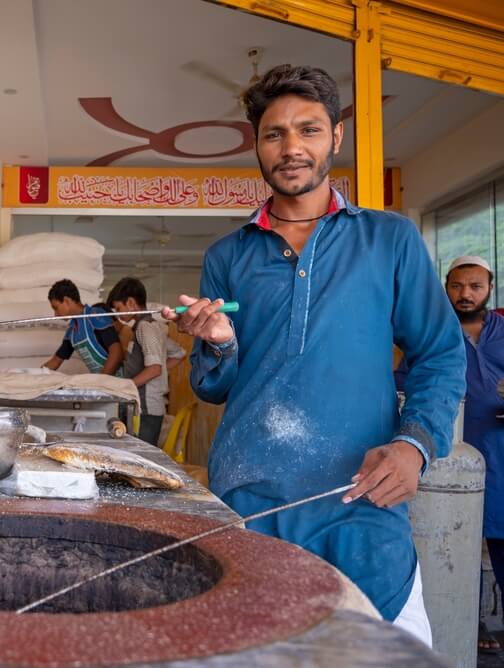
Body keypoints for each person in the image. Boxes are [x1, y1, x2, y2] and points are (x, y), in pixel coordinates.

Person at [163, 64, 466, 645]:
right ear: (255, 144)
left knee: (382, 652)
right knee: (256, 653)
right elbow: (214, 388)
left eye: (308, 129)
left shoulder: (388, 239)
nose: (292, 147)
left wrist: (415, 445)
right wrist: (219, 345)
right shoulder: (228, 254)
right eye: (274, 133)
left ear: (337, 137)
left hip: (360, 502)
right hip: (248, 504)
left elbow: (440, 355)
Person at [395, 255, 504, 653]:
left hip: (500, 452)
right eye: (457, 286)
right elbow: (407, 385)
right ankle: (468, 625)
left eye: (474, 286)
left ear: (489, 288)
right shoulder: (432, 336)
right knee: (455, 543)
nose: (465, 294)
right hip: (448, 456)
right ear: (446, 288)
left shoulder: (503, 331)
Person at [106, 277, 184, 446]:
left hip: (147, 409)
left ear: (131, 303)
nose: (118, 314)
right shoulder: (151, 327)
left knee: (141, 457)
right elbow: (178, 354)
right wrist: (160, 373)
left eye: (119, 308)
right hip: (146, 406)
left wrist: (127, 386)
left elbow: (155, 368)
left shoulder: (145, 327)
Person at [42, 279, 123, 375]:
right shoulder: (72, 332)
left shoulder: (95, 315)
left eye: (56, 308)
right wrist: (35, 375)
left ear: (67, 301)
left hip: (118, 380)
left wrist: (101, 381)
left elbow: (117, 353)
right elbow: (56, 360)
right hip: (101, 382)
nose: (55, 314)